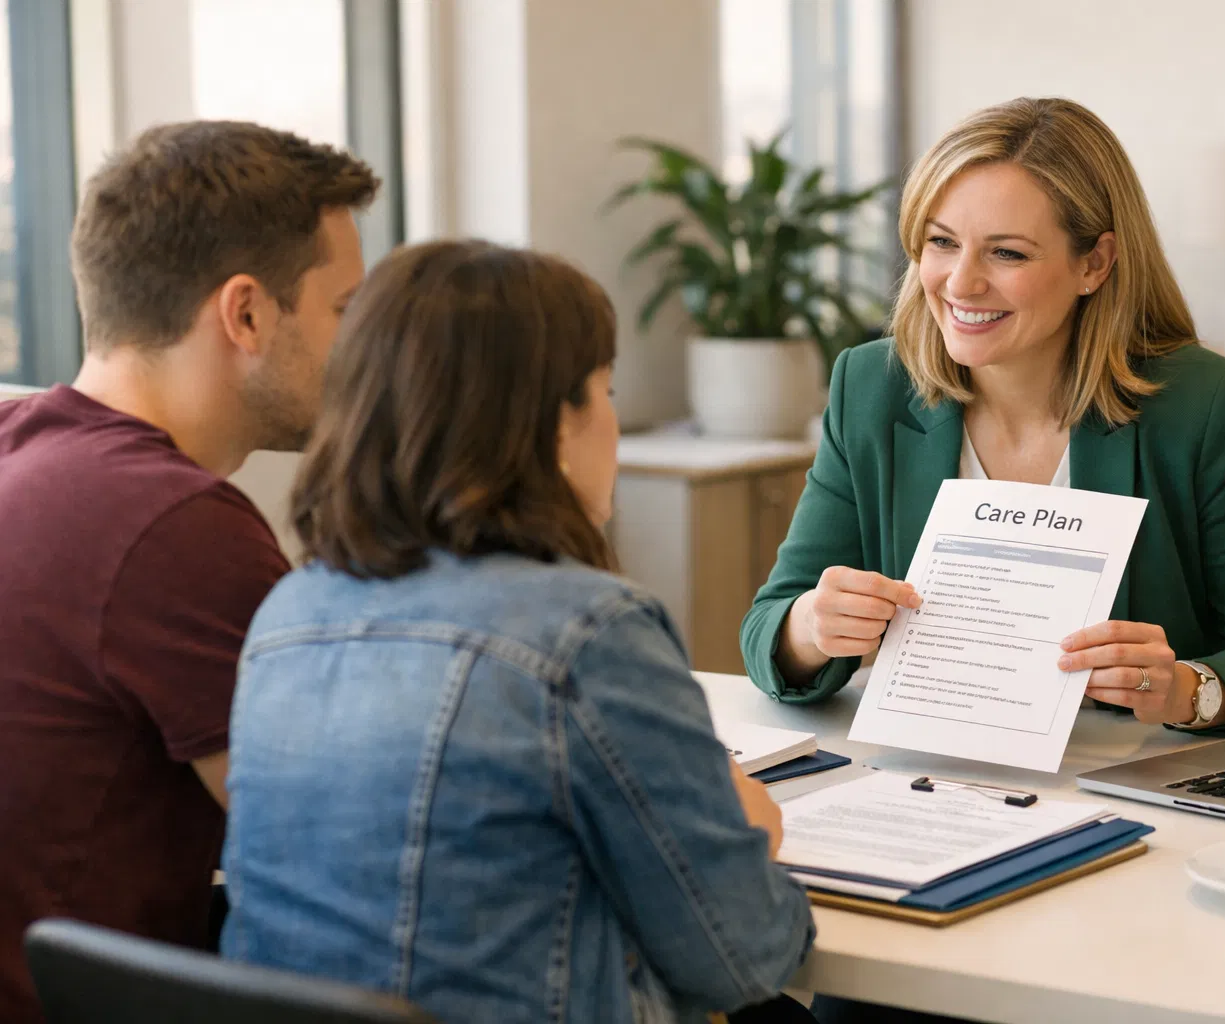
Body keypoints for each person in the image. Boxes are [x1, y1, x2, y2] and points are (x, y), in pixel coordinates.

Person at [741, 92, 1225, 1024]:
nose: (958, 282)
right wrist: (814, 625)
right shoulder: (870, 383)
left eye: (1006, 253)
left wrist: (1190, 690)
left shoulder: (1200, 403)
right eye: (938, 242)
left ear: (1095, 262)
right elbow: (769, 626)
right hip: (928, 812)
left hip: (1130, 831)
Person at [219, 241, 816, 1023]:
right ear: (553, 427)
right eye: (604, 389)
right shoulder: (588, 635)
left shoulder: (287, 616)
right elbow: (744, 956)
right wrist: (745, 824)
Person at [0, 122, 376, 1022]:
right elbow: (339, 850)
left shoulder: (20, 451)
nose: (360, 353)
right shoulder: (171, 525)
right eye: (343, 312)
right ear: (245, 313)